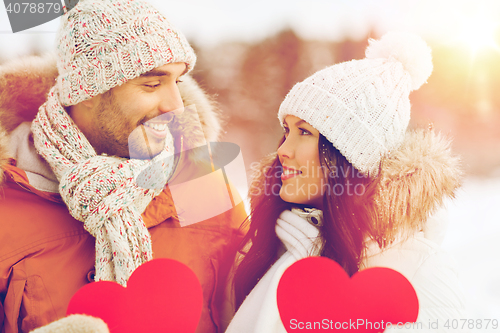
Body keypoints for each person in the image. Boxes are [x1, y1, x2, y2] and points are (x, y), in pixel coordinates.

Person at [0, 0, 246, 332]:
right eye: (152, 83)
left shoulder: (200, 181)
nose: (175, 105)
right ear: (86, 91)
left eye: (178, 81)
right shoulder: (10, 197)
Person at [225, 32, 467, 332]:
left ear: (352, 155)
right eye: (286, 131)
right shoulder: (264, 250)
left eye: (305, 132)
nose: (283, 150)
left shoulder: (420, 267)